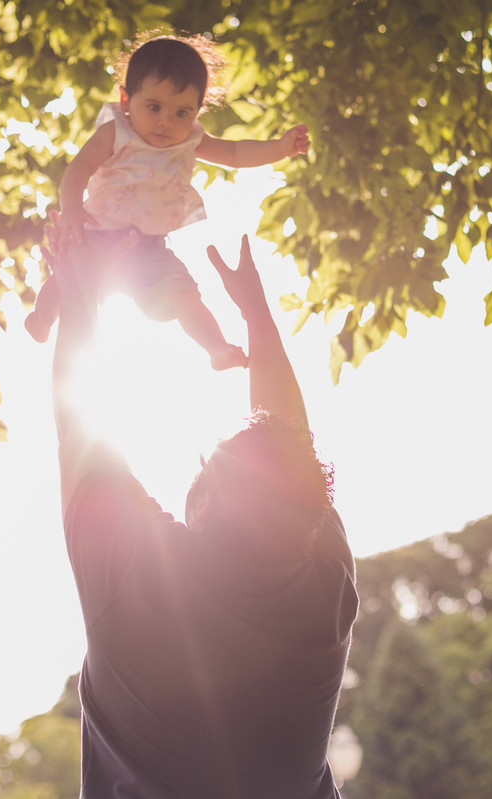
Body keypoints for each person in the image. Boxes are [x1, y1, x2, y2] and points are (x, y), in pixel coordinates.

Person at [49, 227, 359, 799]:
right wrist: (257, 318)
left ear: (202, 502)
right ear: (311, 515)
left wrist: (81, 293)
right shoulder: (326, 591)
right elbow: (289, 443)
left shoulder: (136, 574)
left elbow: (79, 423)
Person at [25, 33, 311, 371]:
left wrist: (279, 148)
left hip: (151, 249)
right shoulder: (116, 131)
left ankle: (217, 348)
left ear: (196, 112)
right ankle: (43, 316)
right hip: (96, 234)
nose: (166, 121)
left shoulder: (190, 138)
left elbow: (234, 152)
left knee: (185, 293)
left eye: (181, 112)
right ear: (126, 99)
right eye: (155, 107)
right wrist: (72, 210)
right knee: (67, 276)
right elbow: (79, 169)